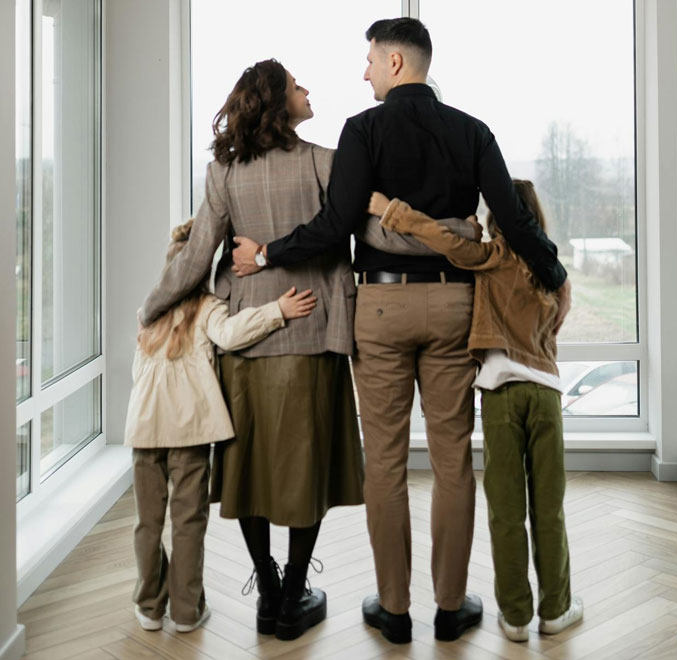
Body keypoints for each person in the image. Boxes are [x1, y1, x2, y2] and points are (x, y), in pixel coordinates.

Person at [231, 18, 571, 644]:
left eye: (367, 61)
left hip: (380, 309)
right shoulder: (473, 131)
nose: (362, 73)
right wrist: (551, 269)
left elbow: (335, 226)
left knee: (383, 463)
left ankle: (392, 610)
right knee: (450, 462)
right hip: (453, 308)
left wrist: (266, 254)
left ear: (394, 63)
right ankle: (448, 607)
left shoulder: (362, 130)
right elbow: (514, 219)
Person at [137, 59, 434, 641]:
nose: (307, 90)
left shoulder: (222, 171)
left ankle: (268, 591)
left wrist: (151, 306)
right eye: (297, 85)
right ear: (277, 101)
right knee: (306, 469)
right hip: (313, 332)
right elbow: (368, 232)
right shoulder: (325, 161)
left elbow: (198, 258)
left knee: (247, 471)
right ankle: (294, 593)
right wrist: (433, 240)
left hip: (244, 339)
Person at [368, 181, 583, 642]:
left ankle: (516, 618)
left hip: (502, 395)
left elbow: (442, 240)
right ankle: (556, 610)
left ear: (497, 220)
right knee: (550, 508)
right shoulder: (552, 270)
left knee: (505, 511)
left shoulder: (494, 256)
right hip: (547, 396)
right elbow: (558, 321)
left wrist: (394, 212)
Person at [125, 219, 316, 633]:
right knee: (188, 521)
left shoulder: (149, 315)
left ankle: (149, 606)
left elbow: (139, 373)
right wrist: (277, 311)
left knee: (148, 521)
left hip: (143, 429)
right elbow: (231, 335)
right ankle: (187, 611)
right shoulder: (209, 308)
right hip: (190, 431)